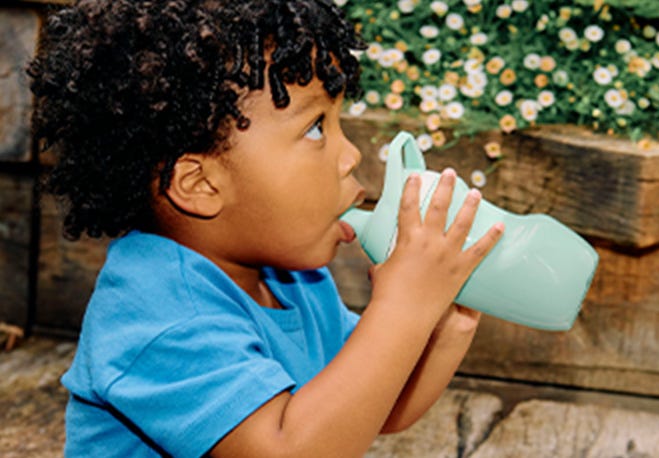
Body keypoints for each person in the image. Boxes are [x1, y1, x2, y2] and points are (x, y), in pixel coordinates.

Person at [28, 0, 504, 456]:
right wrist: (402, 308)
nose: (352, 155)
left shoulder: (296, 279)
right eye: (316, 128)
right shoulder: (159, 313)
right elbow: (289, 451)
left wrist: (444, 324)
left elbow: (375, 406)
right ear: (199, 183)